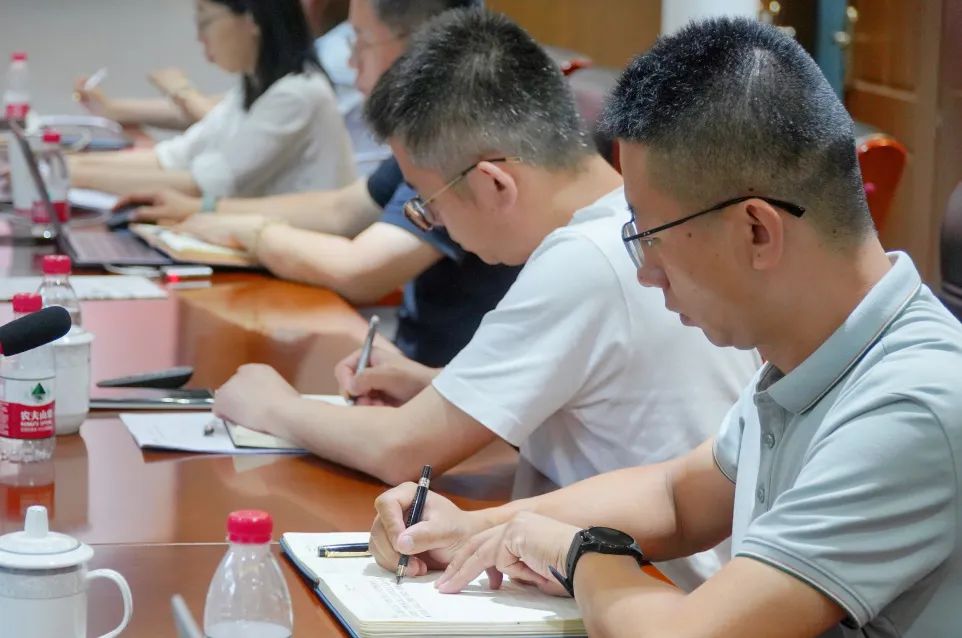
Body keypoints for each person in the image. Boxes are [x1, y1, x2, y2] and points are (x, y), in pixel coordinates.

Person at [366, 16, 962, 638]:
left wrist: (579, 552)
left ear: (757, 230)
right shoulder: (812, 355)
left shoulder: (909, 405)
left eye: (650, 236)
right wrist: (481, 530)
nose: (647, 274)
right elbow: (678, 497)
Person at [213, 9, 760, 589]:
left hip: (656, 588)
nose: (433, 223)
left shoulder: (585, 257)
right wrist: (435, 383)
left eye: (427, 203)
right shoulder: (625, 225)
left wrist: (273, 406)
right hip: (633, 566)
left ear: (492, 183)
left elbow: (400, 448)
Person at [124, 0, 518, 369]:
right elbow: (342, 209)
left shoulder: (465, 140)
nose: (349, 60)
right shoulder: (431, 133)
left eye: (360, 39)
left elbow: (360, 271)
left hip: (448, 377)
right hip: (419, 368)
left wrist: (251, 232)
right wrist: (204, 210)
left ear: (422, 44)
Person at [68, 0, 355, 198]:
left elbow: (203, 185)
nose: (199, 36)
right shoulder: (255, 87)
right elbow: (173, 158)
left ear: (252, 19)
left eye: (205, 20)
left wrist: (76, 174)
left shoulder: (298, 94)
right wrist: (72, 165)